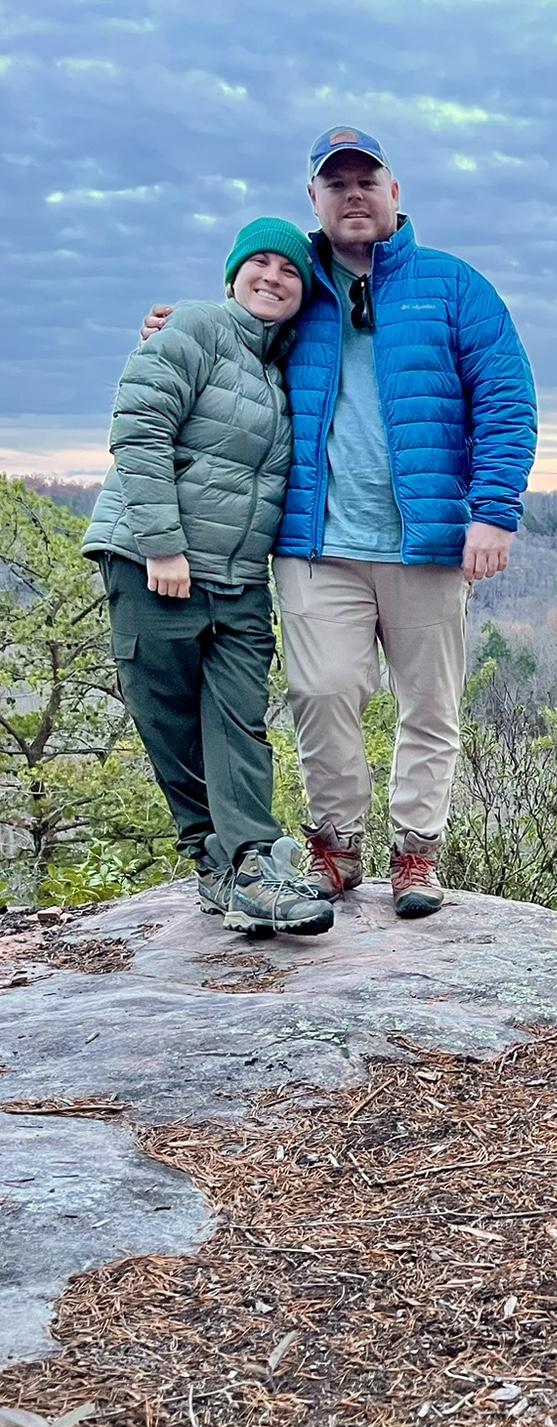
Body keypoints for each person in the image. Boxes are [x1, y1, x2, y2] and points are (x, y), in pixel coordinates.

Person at [147, 127, 538, 919]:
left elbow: (507, 398)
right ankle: (335, 846)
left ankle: (417, 853)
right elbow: (227, 345)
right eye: (337, 184)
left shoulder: (454, 287)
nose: (353, 194)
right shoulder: (296, 293)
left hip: (427, 540)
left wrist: (493, 514)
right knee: (320, 691)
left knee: (429, 703)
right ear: (315, 202)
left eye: (368, 180)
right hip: (314, 542)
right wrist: (176, 328)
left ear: (396, 193)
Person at [86, 219, 335, 938]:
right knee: (169, 724)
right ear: (232, 275)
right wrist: (163, 545)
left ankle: (254, 864)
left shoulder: (286, 365)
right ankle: (215, 865)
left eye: (288, 270)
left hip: (239, 577)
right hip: (151, 563)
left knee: (239, 724)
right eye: (257, 262)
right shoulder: (194, 328)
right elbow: (139, 429)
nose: (272, 277)